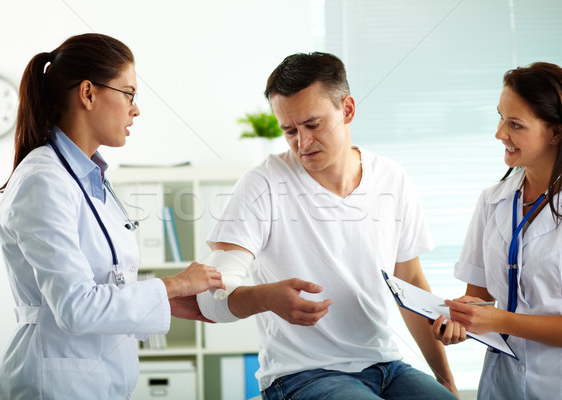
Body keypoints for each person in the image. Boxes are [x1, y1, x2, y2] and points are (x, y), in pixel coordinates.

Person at [196, 52, 459, 399]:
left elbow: (408, 282)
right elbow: (211, 299)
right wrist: (266, 297)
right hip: (301, 375)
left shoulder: (391, 178)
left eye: (313, 124)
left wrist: (446, 381)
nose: (302, 143)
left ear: (347, 109)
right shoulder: (263, 183)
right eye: (289, 130)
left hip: (386, 366)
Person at [0, 33, 225, 399]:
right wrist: (174, 285)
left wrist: (166, 301)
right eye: (128, 94)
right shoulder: (43, 180)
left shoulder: (90, 177)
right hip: (55, 385)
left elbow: (105, 285)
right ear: (88, 93)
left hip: (100, 381)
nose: (136, 109)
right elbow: (75, 307)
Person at [431, 62, 562, 399]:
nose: (499, 133)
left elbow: (497, 317)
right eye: (500, 117)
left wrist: (497, 321)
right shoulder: (493, 200)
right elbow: (480, 294)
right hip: (502, 383)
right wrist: (458, 320)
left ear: (556, 133)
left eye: (515, 124)